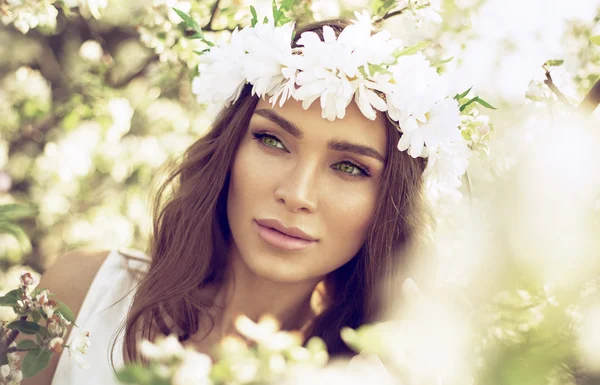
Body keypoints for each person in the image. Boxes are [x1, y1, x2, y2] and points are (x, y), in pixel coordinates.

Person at [18, 17, 434, 385]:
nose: (296, 194)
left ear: (390, 204)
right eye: (271, 140)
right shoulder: (82, 293)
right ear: (229, 149)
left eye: (349, 167)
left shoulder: (377, 375)